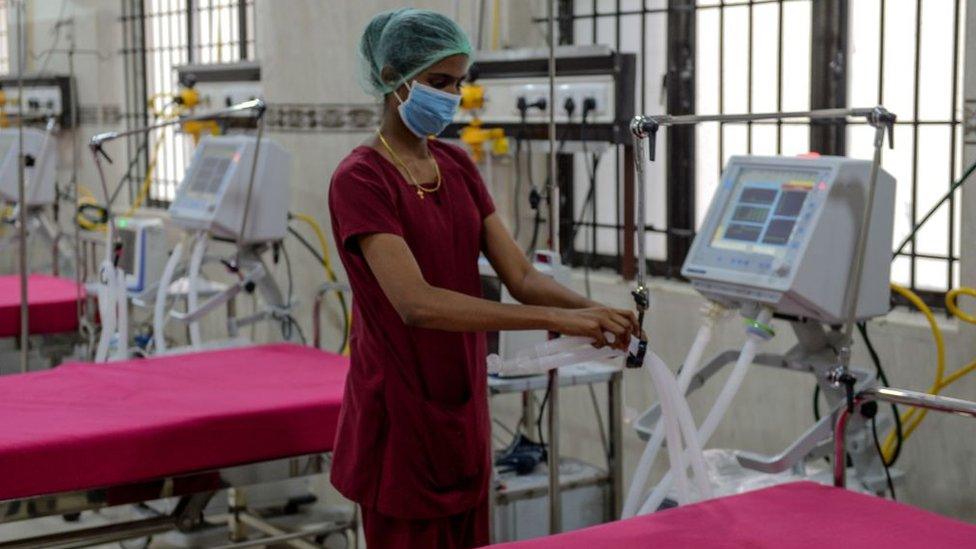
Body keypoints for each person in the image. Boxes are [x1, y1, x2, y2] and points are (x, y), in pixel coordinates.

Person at [328, 8, 639, 548]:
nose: (451, 96)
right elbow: (416, 304)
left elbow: (518, 274)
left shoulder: (457, 166)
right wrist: (556, 318)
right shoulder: (361, 179)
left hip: (461, 410)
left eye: (459, 82)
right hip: (397, 417)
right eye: (438, 82)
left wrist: (589, 312)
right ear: (391, 80)